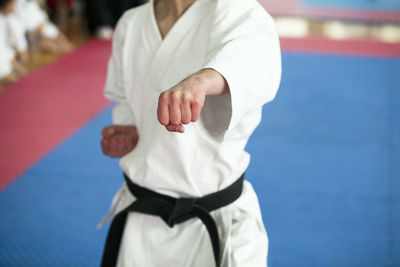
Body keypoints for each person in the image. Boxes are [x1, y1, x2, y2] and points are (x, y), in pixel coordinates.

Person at [99, 0, 281, 266]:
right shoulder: (131, 22)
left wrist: (201, 80)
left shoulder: (240, 12)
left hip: (215, 223)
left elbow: (247, 64)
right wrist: (130, 130)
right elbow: (126, 99)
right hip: (142, 225)